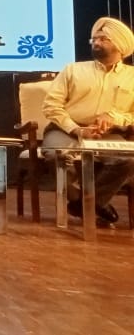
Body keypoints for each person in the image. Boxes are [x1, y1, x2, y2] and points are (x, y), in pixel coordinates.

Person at [42, 16, 134, 227]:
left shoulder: (132, 77)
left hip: (109, 134)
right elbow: (51, 106)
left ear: (120, 44)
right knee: (56, 156)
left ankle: (85, 205)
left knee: (128, 160)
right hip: (65, 130)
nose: (96, 43)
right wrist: (76, 129)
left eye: (103, 39)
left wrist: (114, 118)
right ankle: (86, 202)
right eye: (94, 39)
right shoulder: (72, 70)